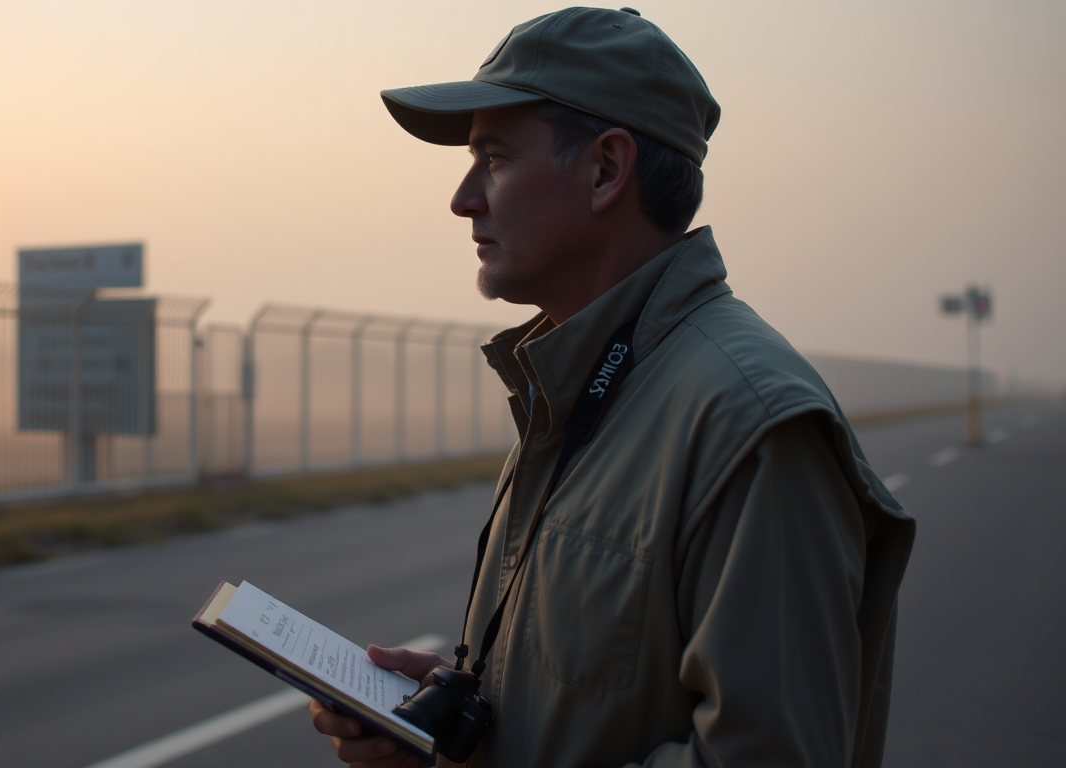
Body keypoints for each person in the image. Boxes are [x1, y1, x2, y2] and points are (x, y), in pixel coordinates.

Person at [310, 7, 915, 767]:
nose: (463, 199)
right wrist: (462, 730)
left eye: (493, 159)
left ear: (604, 170)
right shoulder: (584, 384)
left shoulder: (749, 425)